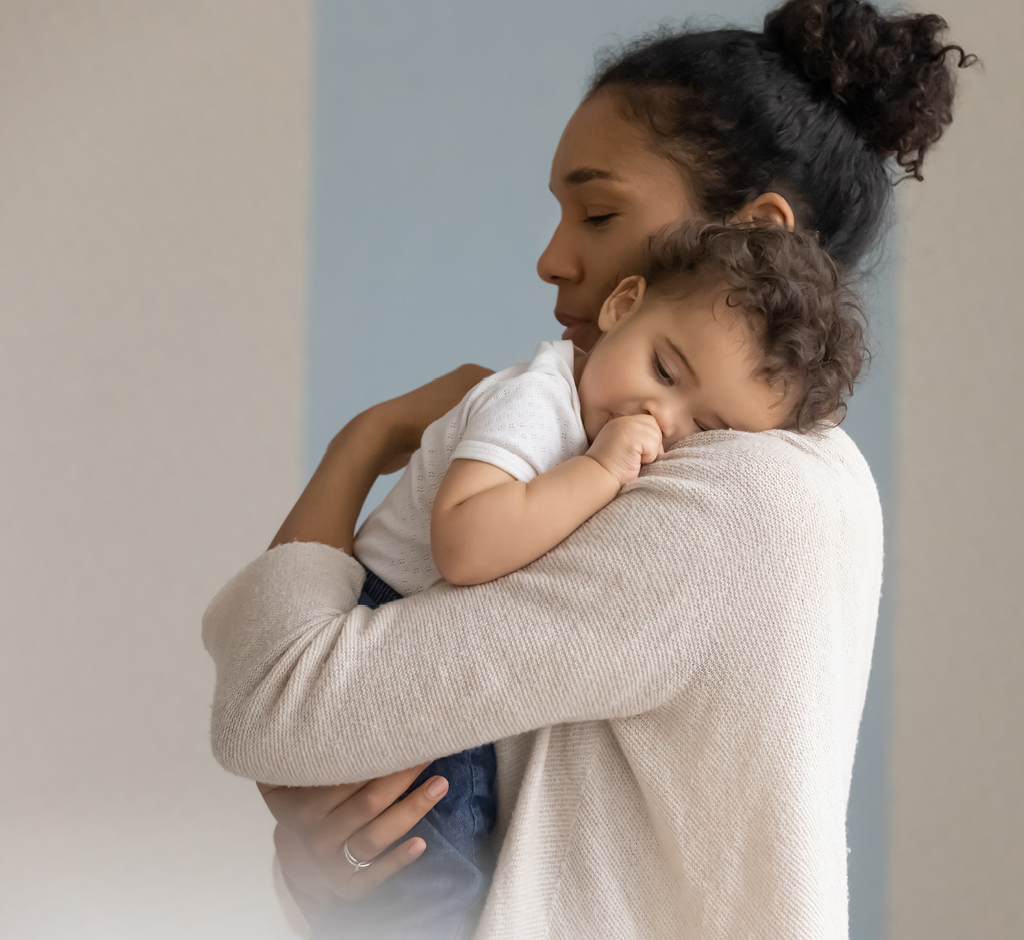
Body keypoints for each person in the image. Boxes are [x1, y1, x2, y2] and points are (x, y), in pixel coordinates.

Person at [205, 2, 973, 936]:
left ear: (761, 229)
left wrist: (363, 444)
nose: (551, 258)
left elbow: (274, 710)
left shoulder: (748, 497)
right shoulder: (731, 465)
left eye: (600, 210)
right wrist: (340, 868)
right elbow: (526, 812)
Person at [313, 220, 868, 939]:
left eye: (705, 428)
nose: (659, 419)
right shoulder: (534, 401)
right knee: (433, 892)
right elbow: (466, 545)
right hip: (384, 616)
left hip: (431, 656)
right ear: (622, 306)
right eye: (664, 371)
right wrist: (600, 472)